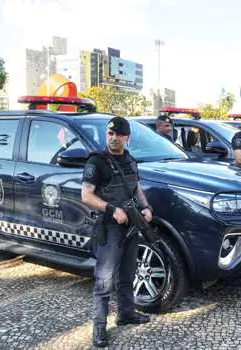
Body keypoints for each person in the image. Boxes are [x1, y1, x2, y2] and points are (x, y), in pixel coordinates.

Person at [81, 116, 152, 348]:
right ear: (106, 135)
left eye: (118, 135)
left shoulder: (130, 160)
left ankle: (126, 314)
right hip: (109, 226)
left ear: (127, 138)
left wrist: (146, 208)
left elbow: (136, 188)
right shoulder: (97, 161)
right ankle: (99, 329)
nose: (113, 138)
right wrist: (112, 209)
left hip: (131, 225)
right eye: (110, 134)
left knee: (127, 274)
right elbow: (87, 195)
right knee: (104, 281)